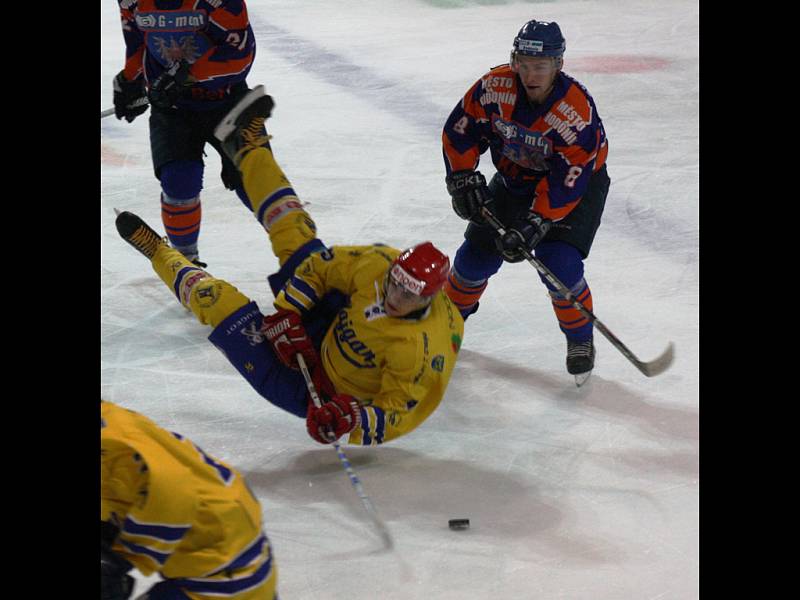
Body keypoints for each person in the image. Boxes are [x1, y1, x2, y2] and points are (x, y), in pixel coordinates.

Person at [115, 86, 464, 446]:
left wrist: (348, 417)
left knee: (214, 300)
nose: (395, 295)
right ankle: (248, 144)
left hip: (315, 394)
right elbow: (322, 269)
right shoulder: (379, 264)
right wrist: (289, 313)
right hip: (328, 320)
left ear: (429, 298)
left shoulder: (423, 348)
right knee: (292, 227)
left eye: (408, 294)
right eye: (394, 282)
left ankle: (159, 253)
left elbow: (399, 413)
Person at [441, 19, 611, 385]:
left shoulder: (575, 111)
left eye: (541, 66)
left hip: (575, 187)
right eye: (525, 64)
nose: (531, 75)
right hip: (516, 177)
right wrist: (461, 176)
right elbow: (462, 129)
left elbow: (570, 178)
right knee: (473, 259)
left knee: (558, 263)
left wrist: (536, 222)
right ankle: (443, 326)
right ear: (514, 60)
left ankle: (580, 339)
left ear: (558, 65)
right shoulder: (493, 87)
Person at [112, 0, 263, 267]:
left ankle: (305, 254)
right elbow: (138, 38)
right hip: (173, 107)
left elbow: (240, 59)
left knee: (258, 183)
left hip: (227, 102)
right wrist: (130, 80)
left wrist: (188, 76)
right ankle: (186, 263)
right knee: (179, 180)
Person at [101, 400, 278, 600]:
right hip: (236, 549)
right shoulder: (112, 419)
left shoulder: (111, 444)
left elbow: (176, 490)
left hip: (226, 575)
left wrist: (122, 557)